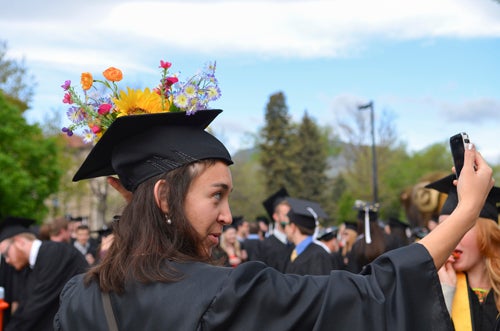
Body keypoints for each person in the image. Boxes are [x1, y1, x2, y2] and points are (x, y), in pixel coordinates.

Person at [54, 62, 495, 330]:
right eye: (217, 195)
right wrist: (466, 211)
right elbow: (370, 296)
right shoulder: (224, 293)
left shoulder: (78, 297)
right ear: (165, 197)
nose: (228, 216)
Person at [426, 174, 500, 331]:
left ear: (487, 234)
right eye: (443, 230)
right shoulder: (430, 288)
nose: (450, 239)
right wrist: (443, 294)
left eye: (461, 228)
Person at [0, 216, 88, 331]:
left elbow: (35, 307)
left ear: (20, 242)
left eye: (6, 253)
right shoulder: (32, 264)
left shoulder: (56, 254)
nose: (7, 260)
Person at [284, 198, 334, 275]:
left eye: (286, 224)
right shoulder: (294, 253)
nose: (285, 228)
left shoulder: (318, 256)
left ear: (293, 227)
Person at [259, 188, 295, 272]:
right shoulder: (265, 245)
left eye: (291, 214)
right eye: (286, 214)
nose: (289, 217)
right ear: (275, 217)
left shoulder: (295, 243)